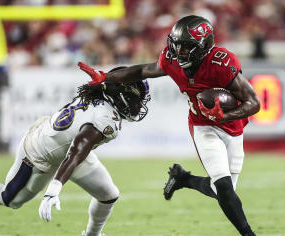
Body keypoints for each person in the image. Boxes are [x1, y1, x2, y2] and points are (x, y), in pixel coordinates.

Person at [79, 15, 260, 236]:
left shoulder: (221, 63)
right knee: (223, 187)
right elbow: (142, 71)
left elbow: (254, 103)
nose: (178, 51)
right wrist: (107, 77)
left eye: (185, 47)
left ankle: (182, 178)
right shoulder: (172, 60)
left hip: (232, 126)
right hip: (203, 126)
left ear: (203, 46)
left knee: (219, 190)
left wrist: (225, 115)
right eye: (175, 45)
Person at [0, 66, 151, 236]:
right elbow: (77, 148)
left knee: (108, 195)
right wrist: (55, 187)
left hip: (69, 150)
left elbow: (78, 148)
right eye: (137, 100)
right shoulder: (105, 118)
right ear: (121, 96)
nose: (139, 105)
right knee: (10, 199)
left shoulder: (99, 93)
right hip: (40, 154)